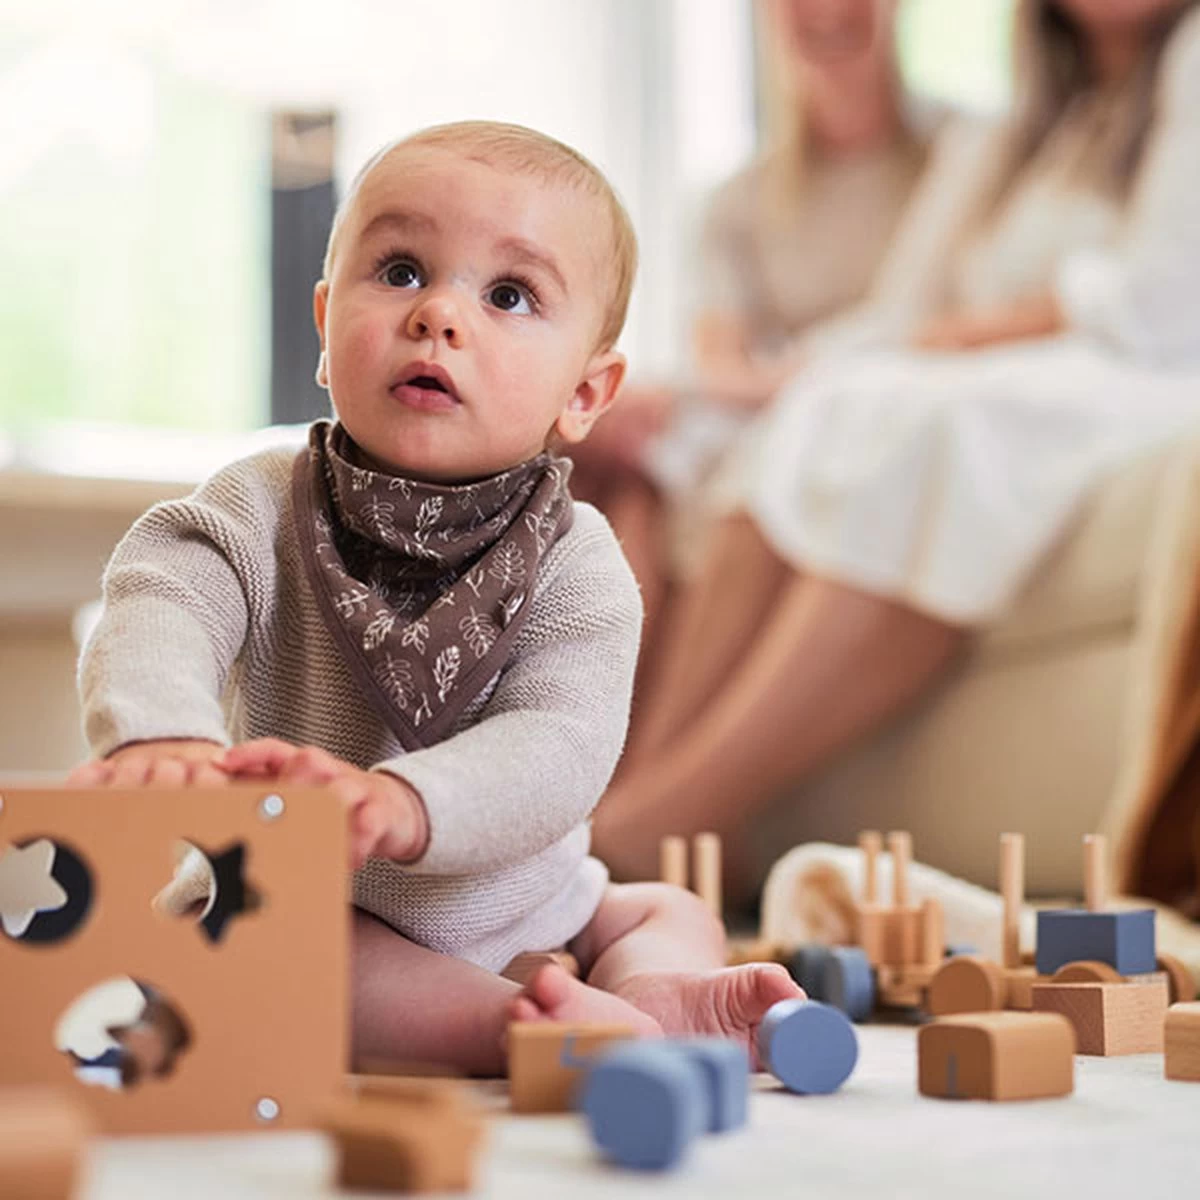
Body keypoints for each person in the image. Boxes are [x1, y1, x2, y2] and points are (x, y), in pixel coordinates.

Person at [66, 121, 800, 1074]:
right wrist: (160, 732)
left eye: (508, 294)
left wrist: (405, 804)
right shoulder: (258, 507)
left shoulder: (578, 561)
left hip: (543, 910)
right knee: (273, 955)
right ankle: (511, 1029)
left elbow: (561, 744)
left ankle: (653, 989)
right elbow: (165, 591)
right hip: (331, 905)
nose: (440, 315)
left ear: (587, 391)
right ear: (327, 327)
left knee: (664, 908)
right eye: (403, 271)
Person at [594, 0, 1200, 895]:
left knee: (945, 427)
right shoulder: (1024, 121)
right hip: (1001, 367)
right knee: (829, 408)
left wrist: (969, 338)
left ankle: (675, 810)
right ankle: (641, 787)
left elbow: (1161, 301)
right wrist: (754, 386)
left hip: (1139, 372)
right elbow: (906, 311)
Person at [569, 0, 933, 658]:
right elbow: (720, 362)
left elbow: (934, 330)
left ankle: (625, 750)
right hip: (769, 403)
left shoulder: (964, 160)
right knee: (609, 466)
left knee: (657, 471)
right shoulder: (737, 201)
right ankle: (594, 736)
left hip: (874, 404)